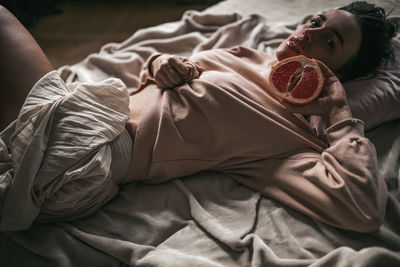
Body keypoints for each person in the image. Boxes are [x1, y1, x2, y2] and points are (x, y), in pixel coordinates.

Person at [0, 2, 396, 232]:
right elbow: (153, 85)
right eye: (316, 21)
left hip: (88, 158)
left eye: (330, 41)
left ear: (340, 74)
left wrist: (339, 111)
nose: (310, 33)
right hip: (92, 114)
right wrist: (160, 63)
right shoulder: (241, 56)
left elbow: (363, 210)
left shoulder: (293, 136)